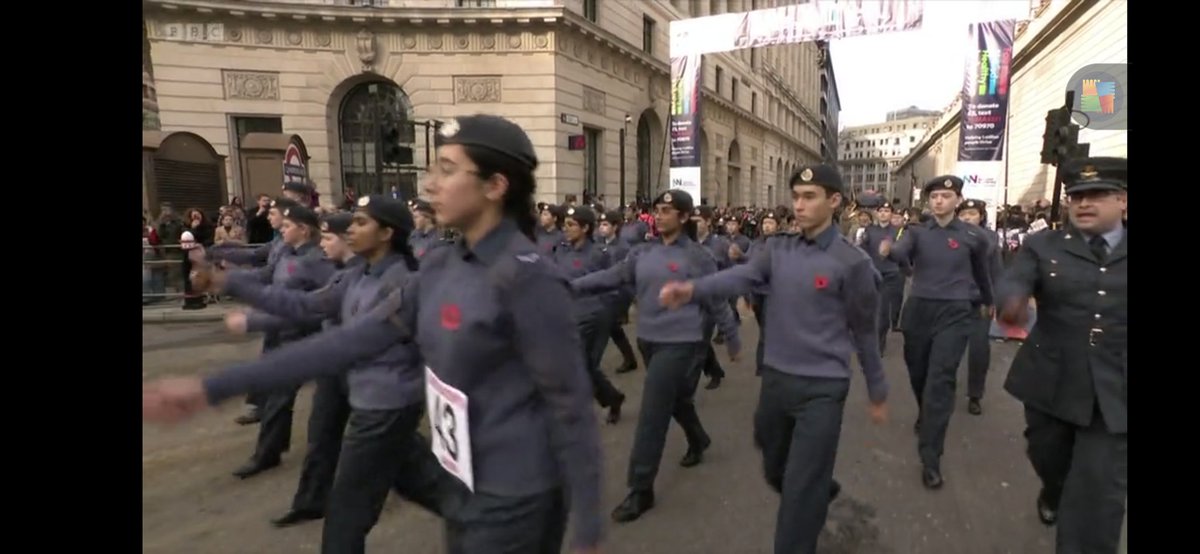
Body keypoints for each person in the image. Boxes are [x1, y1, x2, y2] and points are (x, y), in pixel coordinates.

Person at [145, 114, 603, 554]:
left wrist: (588, 529)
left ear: (495, 186)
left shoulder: (529, 280)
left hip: (517, 497)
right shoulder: (442, 266)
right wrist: (213, 387)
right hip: (463, 482)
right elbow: (348, 340)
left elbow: (571, 406)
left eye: (447, 170)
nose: (429, 184)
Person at [659, 164, 888, 554]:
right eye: (795, 197)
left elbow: (865, 331)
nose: (799, 205)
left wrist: (877, 389)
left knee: (799, 491)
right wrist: (692, 289)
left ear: (834, 201)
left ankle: (804, 516)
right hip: (777, 381)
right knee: (774, 465)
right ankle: (817, 492)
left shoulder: (853, 263)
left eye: (809, 197)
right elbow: (742, 277)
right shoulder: (777, 248)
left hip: (824, 387)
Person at [571, 189, 740, 524]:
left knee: (653, 410)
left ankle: (640, 487)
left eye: (667, 210)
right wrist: (571, 285)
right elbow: (614, 277)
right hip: (649, 340)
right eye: (657, 210)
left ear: (683, 216)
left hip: (683, 341)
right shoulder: (642, 252)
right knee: (675, 400)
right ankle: (698, 438)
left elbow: (715, 297)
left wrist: (731, 335)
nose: (659, 215)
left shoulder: (697, 256)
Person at [998, 157, 1127, 554]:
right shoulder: (1043, 245)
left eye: (1096, 195)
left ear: (1123, 200)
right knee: (1048, 457)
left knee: (1098, 495)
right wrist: (1012, 302)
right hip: (1052, 381)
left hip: (1114, 392)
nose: (1083, 203)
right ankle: (1053, 491)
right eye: (1076, 196)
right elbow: (1016, 280)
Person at [879, 176, 993, 489]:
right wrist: (891, 251)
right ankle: (924, 410)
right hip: (918, 311)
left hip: (954, 312)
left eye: (946, 196)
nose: (939, 201)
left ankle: (931, 458)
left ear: (958, 200)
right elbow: (903, 251)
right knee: (919, 372)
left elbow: (982, 273)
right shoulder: (916, 232)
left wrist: (988, 301)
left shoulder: (973, 236)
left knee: (941, 379)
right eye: (935, 196)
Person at [229, 204, 338, 478]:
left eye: (288, 226)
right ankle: (271, 451)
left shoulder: (317, 261)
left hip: (305, 339)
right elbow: (268, 281)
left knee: (281, 397)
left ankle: (267, 455)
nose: (282, 229)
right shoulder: (285, 254)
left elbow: (321, 306)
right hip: (281, 334)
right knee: (276, 397)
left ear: (303, 229)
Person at [551, 205, 626, 423]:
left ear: (585, 228)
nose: (566, 228)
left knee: (579, 364)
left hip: (594, 317)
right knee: (582, 366)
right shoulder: (561, 250)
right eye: (565, 224)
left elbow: (614, 282)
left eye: (571, 225)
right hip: (567, 316)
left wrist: (608, 310)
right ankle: (612, 398)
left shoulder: (599, 255)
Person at [955, 199, 1004, 415]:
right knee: (947, 351)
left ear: (981, 216)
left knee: (978, 351)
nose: (967, 217)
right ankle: (942, 391)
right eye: (963, 213)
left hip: (979, 303)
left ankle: (975, 394)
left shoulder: (991, 239)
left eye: (972, 213)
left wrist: (994, 301)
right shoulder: (949, 236)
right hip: (952, 301)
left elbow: (997, 272)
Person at [596, 210, 639, 374]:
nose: (602, 228)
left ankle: (592, 364)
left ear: (615, 227)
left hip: (616, 293)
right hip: (602, 291)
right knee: (614, 329)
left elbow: (623, 274)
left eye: (606, 224)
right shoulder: (599, 243)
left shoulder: (622, 248)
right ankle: (630, 359)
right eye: (600, 224)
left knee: (603, 329)